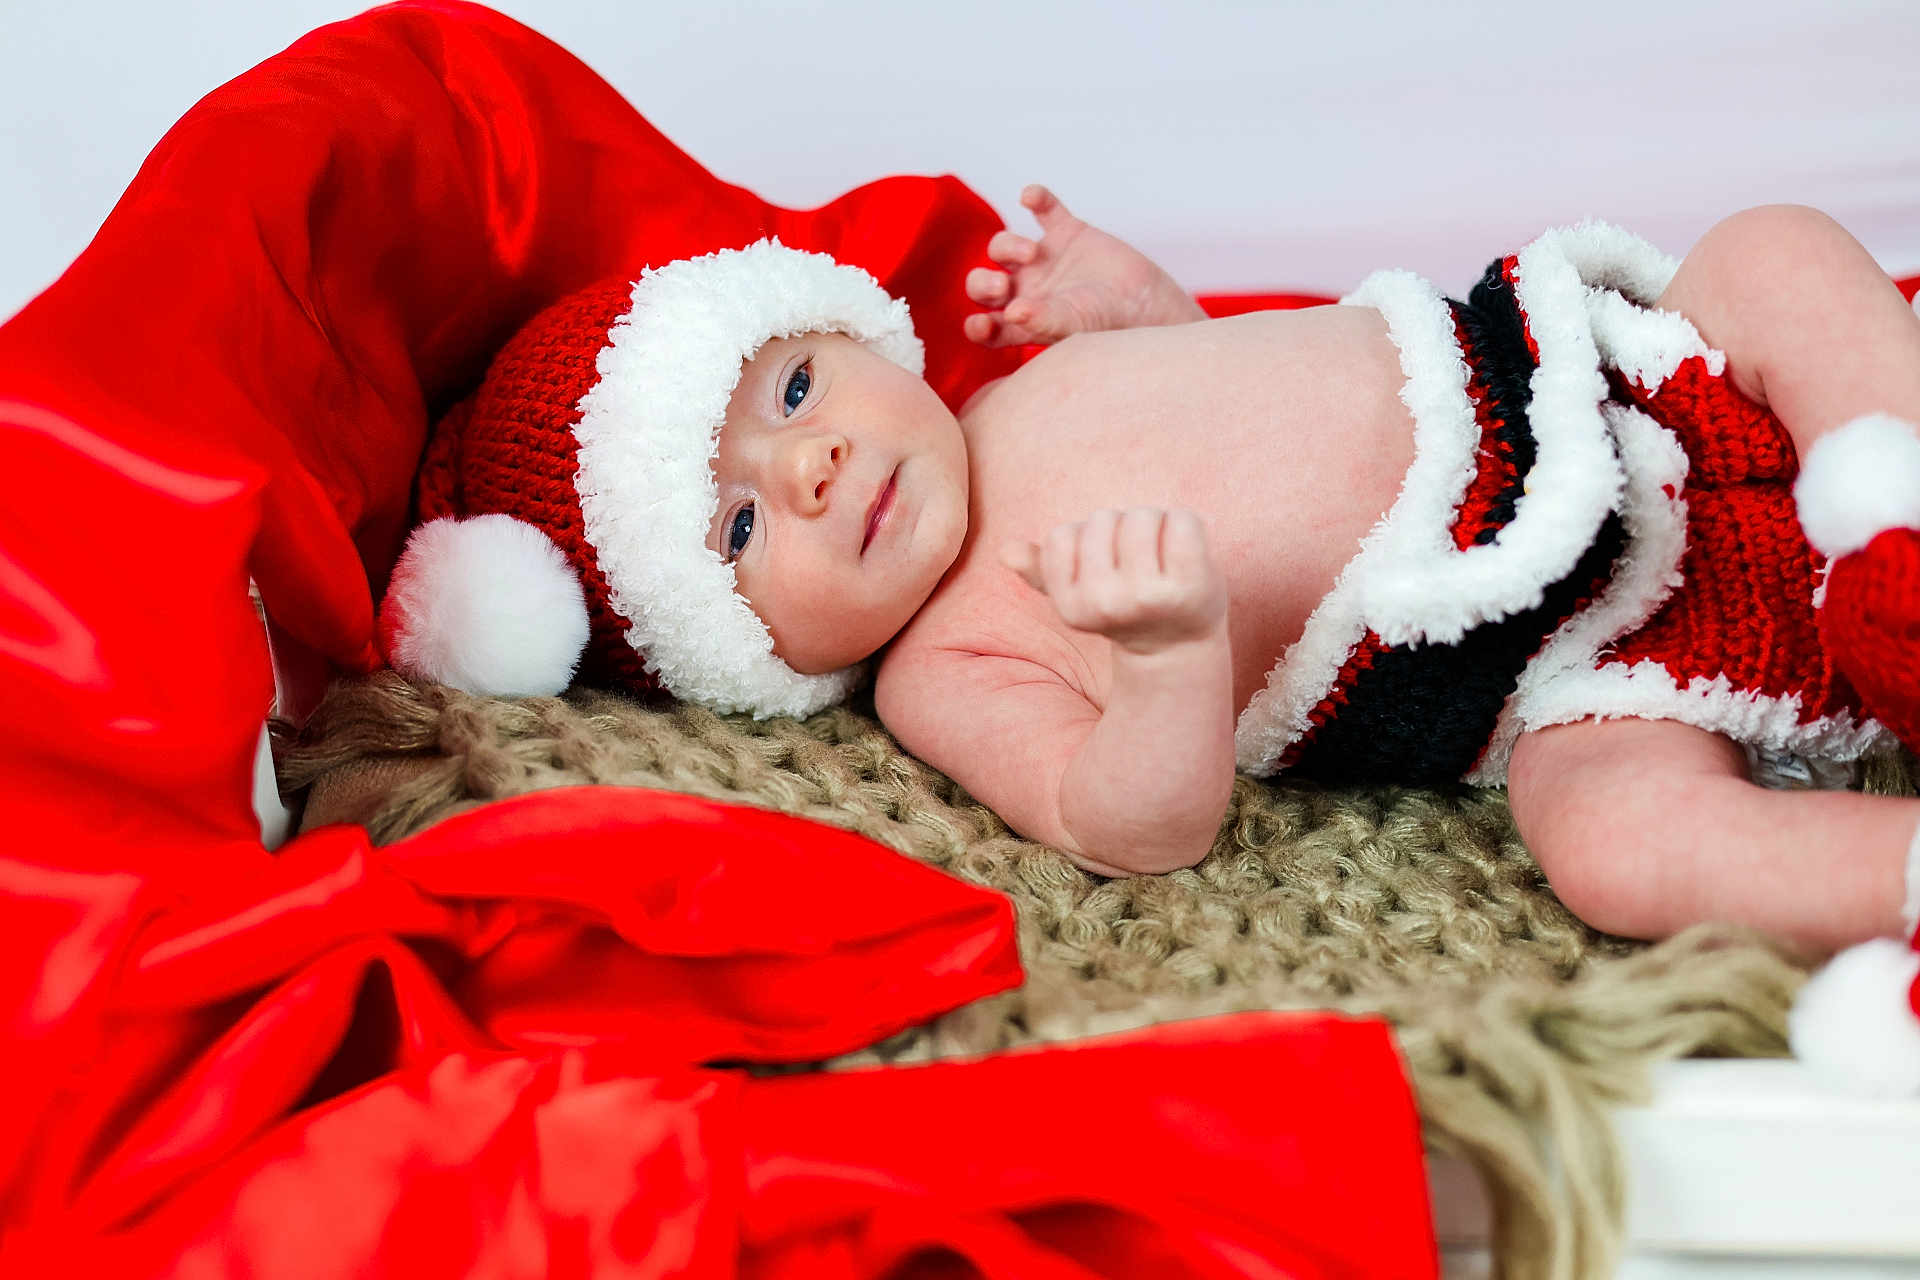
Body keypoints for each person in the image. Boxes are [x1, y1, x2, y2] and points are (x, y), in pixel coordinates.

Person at [379, 189, 1920, 954]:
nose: (815, 464)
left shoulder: (1021, 387)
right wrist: (1173, 657)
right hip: (1556, 662)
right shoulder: (945, 668)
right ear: (733, 653)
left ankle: (1894, 508)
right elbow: (1132, 826)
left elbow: (1249, 384)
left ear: (849, 332)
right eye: (738, 528)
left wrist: (1139, 306)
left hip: (1611, 396)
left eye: (792, 391)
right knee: (1616, 854)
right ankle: (1892, 873)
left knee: (1771, 251)